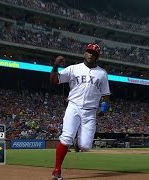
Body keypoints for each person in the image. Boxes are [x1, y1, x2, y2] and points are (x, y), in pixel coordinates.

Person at [50, 43, 111, 180]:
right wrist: (55, 65)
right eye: (89, 52)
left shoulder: (102, 73)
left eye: (94, 53)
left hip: (90, 111)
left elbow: (106, 94)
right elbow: (54, 80)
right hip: (74, 106)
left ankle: (78, 141)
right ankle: (57, 170)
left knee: (85, 146)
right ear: (85, 53)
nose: (91, 55)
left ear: (97, 56)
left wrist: (104, 108)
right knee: (66, 138)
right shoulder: (73, 69)